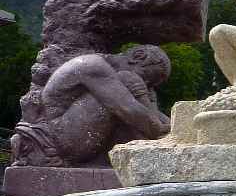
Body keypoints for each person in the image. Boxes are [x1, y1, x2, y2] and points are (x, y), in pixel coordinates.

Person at [11, 45, 171, 167]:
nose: (145, 84)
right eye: (146, 77)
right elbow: (128, 109)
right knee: (125, 81)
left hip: (75, 139)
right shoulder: (93, 65)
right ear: (138, 56)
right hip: (59, 139)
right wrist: (162, 131)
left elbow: (151, 114)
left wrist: (175, 125)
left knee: (128, 89)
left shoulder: (110, 73)